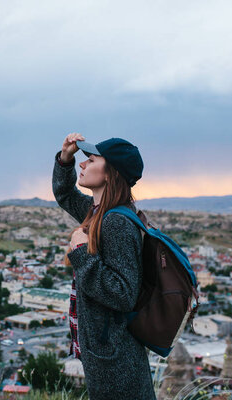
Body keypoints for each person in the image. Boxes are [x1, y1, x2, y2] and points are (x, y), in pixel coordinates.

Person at [52, 133, 156, 399]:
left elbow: (122, 293)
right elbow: (64, 194)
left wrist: (80, 252)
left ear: (111, 173)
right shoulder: (97, 211)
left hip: (117, 362)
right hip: (106, 357)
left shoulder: (116, 223)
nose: (83, 165)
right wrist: (65, 158)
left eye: (91, 159)